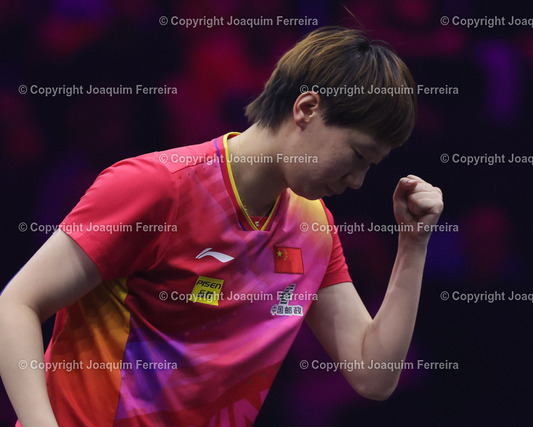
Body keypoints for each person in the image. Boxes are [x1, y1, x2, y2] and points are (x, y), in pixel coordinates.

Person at [0, 26, 443, 426]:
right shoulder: (158, 187)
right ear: (307, 108)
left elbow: (373, 375)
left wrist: (413, 245)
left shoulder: (312, 226)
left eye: (371, 166)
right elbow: (15, 305)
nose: (358, 181)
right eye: (358, 155)